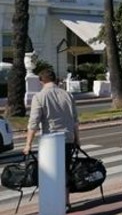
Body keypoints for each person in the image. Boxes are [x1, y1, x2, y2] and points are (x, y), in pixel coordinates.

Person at [23, 68, 80, 205]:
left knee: (51, 174)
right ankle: (65, 201)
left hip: (51, 141)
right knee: (65, 170)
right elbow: (75, 120)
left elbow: (33, 123)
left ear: (41, 81)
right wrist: (77, 139)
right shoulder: (68, 95)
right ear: (55, 79)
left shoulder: (39, 97)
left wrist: (28, 144)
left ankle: (53, 203)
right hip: (68, 139)